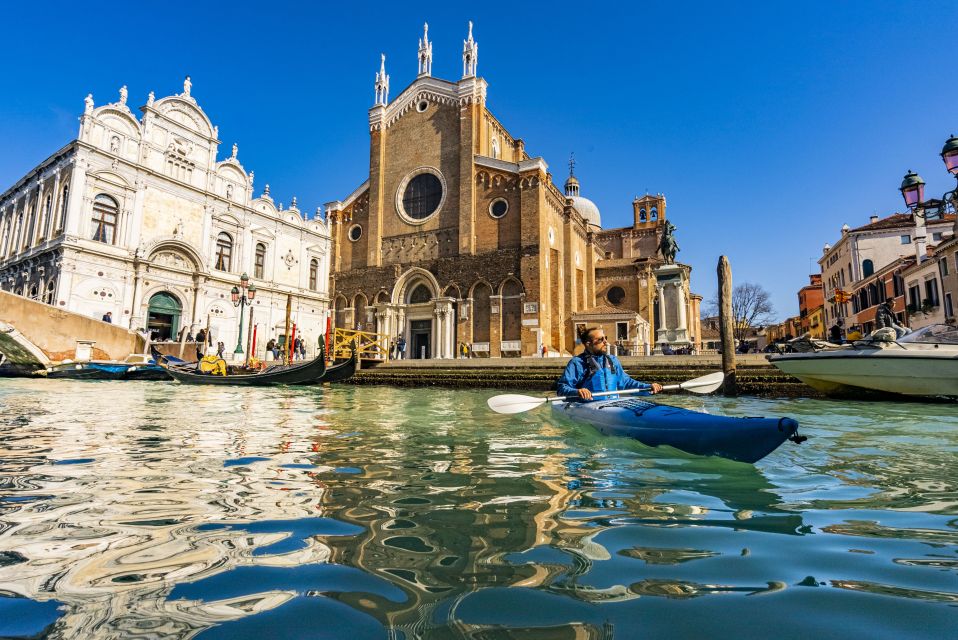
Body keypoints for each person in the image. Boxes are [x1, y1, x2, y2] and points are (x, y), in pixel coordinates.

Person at [557, 326, 663, 401]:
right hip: (588, 406)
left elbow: (626, 383)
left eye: (605, 338)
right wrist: (578, 391)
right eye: (601, 340)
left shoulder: (612, 360)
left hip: (612, 404)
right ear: (588, 344)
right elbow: (562, 388)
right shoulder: (577, 363)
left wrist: (648, 387)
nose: (606, 343)